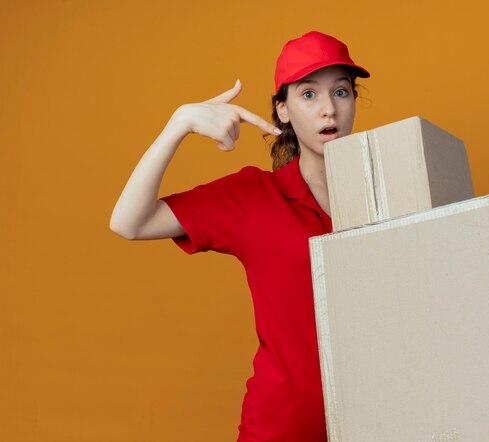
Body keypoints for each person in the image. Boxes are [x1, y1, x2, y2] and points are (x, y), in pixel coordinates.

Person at [109, 30, 370, 441]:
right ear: (282, 111)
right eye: (308, 95)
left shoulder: (386, 192)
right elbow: (130, 222)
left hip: (376, 420)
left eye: (341, 92)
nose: (328, 110)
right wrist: (178, 125)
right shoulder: (255, 197)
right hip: (283, 428)